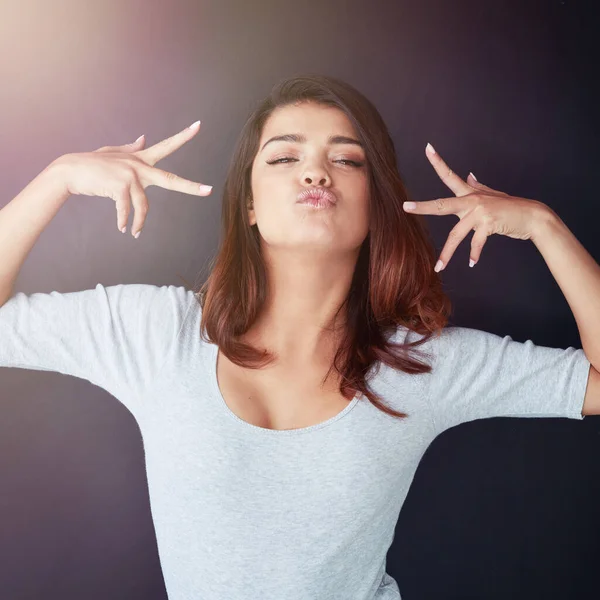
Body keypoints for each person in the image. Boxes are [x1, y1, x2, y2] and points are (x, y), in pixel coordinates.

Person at [0, 74, 591, 600]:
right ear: (250, 204)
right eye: (284, 158)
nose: (316, 172)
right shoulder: (158, 336)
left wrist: (543, 225)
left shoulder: (421, 365)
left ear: (374, 205)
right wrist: (57, 179)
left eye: (348, 160)